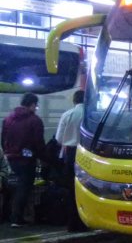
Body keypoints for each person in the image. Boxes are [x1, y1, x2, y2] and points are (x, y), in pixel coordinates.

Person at [1, 93, 46, 227]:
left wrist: (8, 152)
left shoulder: (8, 119)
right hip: (27, 159)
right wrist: (43, 157)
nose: (36, 108)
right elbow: (38, 143)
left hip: (11, 157)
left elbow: (3, 139)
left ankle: (9, 215)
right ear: (32, 104)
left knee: (13, 186)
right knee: (24, 187)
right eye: (36, 105)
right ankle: (17, 218)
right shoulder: (35, 120)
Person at [55, 90, 88, 232]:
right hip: (87, 154)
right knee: (86, 188)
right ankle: (84, 220)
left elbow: (59, 139)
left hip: (70, 154)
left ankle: (72, 223)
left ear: (74, 101)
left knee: (71, 190)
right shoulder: (90, 115)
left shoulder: (67, 115)